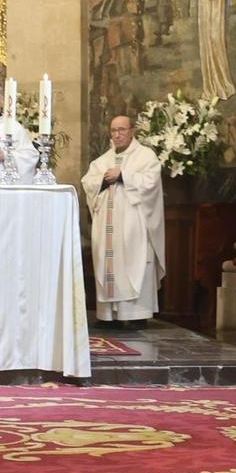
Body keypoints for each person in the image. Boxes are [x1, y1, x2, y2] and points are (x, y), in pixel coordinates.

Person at [80, 114, 166, 326]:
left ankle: (136, 315)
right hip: (107, 226)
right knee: (108, 264)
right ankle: (109, 316)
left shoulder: (146, 156)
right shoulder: (103, 160)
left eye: (122, 130)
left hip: (134, 225)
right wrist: (103, 178)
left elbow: (151, 182)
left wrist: (123, 175)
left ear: (132, 131)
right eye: (114, 131)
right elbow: (87, 182)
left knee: (134, 263)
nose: (117, 135)